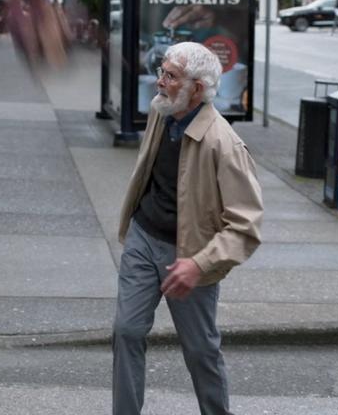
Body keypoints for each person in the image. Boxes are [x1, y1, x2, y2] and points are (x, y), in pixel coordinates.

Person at [112, 42, 263, 415]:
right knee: (126, 331)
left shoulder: (224, 143)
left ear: (198, 87)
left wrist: (199, 264)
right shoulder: (161, 111)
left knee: (200, 351)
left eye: (171, 76)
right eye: (162, 71)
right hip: (144, 238)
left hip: (191, 255)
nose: (160, 82)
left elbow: (246, 225)